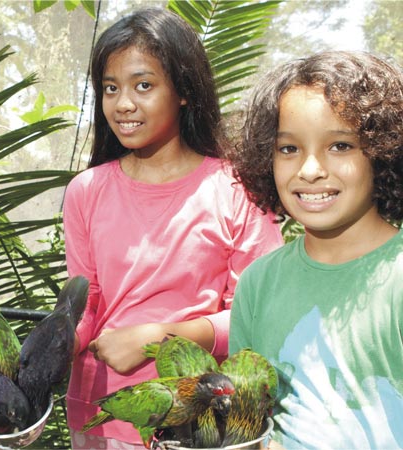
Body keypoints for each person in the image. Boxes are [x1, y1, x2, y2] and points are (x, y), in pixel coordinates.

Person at [62, 8, 283, 448]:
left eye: (143, 85)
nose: (123, 103)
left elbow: (256, 316)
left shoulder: (237, 188)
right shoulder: (86, 190)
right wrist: (58, 342)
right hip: (100, 415)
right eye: (111, 88)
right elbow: (87, 302)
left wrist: (159, 338)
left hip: (199, 423)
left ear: (183, 90)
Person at [228, 51, 403, 448]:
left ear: (382, 151)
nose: (309, 170)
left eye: (340, 145)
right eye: (288, 149)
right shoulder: (258, 283)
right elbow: (248, 420)